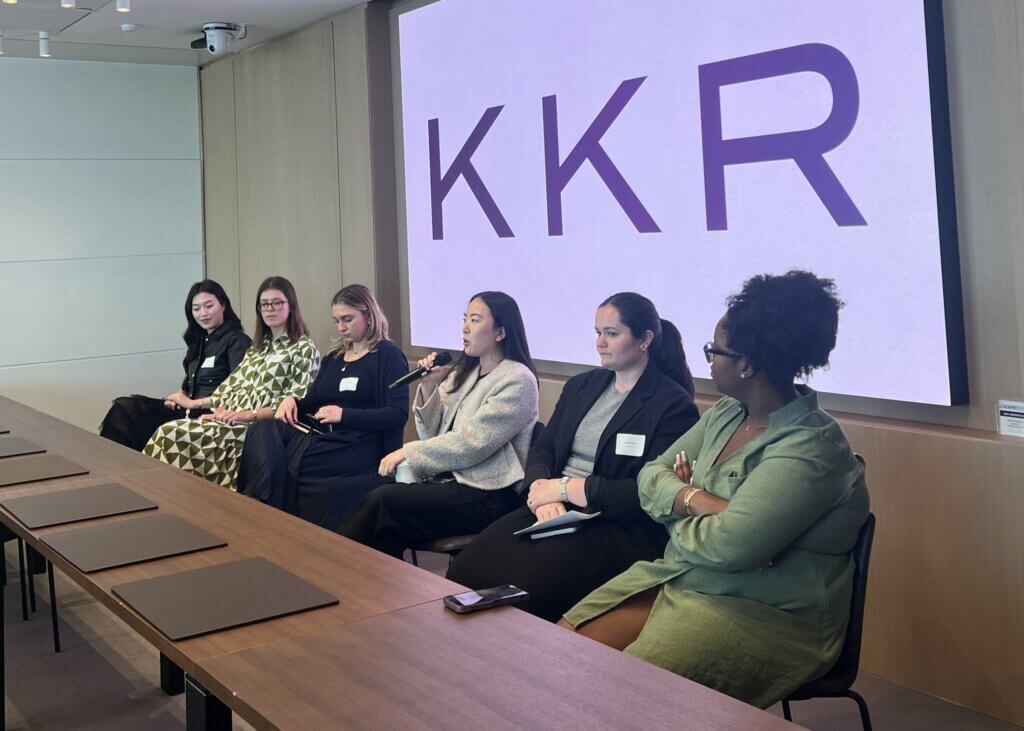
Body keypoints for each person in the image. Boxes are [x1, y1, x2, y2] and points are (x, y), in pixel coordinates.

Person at [558, 270, 870, 709]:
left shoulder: (811, 449)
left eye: (715, 350)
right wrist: (699, 501)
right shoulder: (727, 413)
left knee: (619, 698)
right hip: (681, 578)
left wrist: (675, 509)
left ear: (747, 364)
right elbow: (651, 475)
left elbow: (731, 547)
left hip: (761, 610)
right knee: (560, 656)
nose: (708, 359)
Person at [447, 293, 700, 621]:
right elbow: (544, 448)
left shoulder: (672, 406)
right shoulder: (582, 386)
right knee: (470, 566)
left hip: (611, 524)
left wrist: (564, 489)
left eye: (612, 333)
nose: (600, 343)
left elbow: (647, 492)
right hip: (551, 507)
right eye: (598, 332)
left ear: (645, 339)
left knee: (527, 589)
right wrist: (540, 491)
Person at [337, 291, 539, 558]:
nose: (465, 328)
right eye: (465, 319)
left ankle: (327, 565)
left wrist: (408, 452)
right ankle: (369, 593)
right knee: (386, 529)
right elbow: (432, 433)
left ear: (500, 332)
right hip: (450, 483)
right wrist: (430, 384)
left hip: (489, 492)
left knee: (384, 501)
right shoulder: (465, 372)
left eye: (475, 320)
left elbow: (471, 443)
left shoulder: (517, 379)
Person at [237, 284, 410, 528]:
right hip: (324, 440)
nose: (341, 328)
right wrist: (291, 401)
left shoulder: (387, 355)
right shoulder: (335, 358)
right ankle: (267, 512)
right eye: (337, 320)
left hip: (360, 445)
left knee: (285, 462)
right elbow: (311, 402)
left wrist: (344, 415)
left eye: (347, 319)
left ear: (369, 315)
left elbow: (397, 414)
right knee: (262, 428)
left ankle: (262, 518)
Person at [144, 276, 319, 489]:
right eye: (264, 304)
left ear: (290, 305)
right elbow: (228, 390)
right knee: (167, 430)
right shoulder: (257, 348)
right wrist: (218, 411)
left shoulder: (303, 348)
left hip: (261, 428)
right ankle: (160, 498)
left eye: (277, 302)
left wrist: (248, 415)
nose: (270, 309)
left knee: (175, 436)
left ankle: (187, 501)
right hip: (232, 418)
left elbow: (297, 401)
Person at [99, 280, 250, 450]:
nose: (203, 313)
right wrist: (179, 396)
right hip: (186, 410)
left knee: (137, 421)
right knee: (125, 409)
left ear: (223, 305)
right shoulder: (200, 340)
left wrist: (192, 403)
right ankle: (113, 468)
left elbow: (240, 393)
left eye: (209, 306)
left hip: (210, 414)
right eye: (196, 308)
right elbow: (189, 385)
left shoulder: (237, 341)